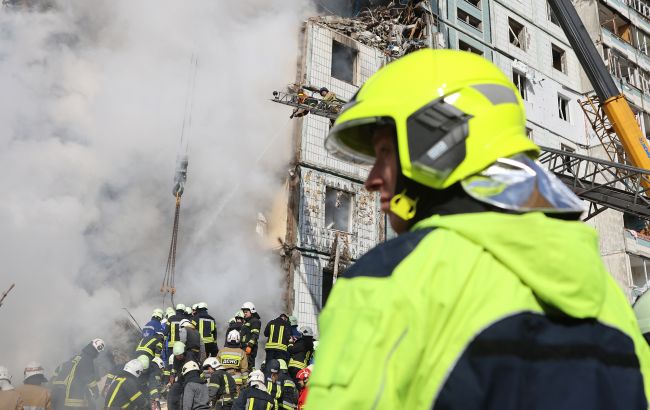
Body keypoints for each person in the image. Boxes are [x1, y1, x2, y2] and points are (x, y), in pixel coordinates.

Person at [308, 48, 650, 408]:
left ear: (433, 143)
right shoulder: (611, 303)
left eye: (384, 154)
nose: (372, 179)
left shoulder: (390, 280)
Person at [51, 339, 104, 410]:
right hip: (72, 399)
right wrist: (96, 391)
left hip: (56, 396)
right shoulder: (87, 360)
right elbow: (89, 378)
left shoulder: (75, 358)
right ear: (97, 350)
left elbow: (56, 374)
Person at [240, 302, 261, 371]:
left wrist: (249, 346)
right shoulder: (247, 322)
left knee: (248, 367)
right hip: (243, 347)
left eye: (246, 311)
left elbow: (255, 335)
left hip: (249, 348)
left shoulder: (255, 321)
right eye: (244, 312)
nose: (245, 313)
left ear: (252, 311)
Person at [167, 342, 188, 410]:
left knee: (184, 398)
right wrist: (172, 375)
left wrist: (178, 377)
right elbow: (174, 368)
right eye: (176, 356)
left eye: (180, 355)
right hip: (180, 380)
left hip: (189, 380)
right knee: (171, 393)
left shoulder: (189, 357)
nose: (178, 357)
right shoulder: (176, 358)